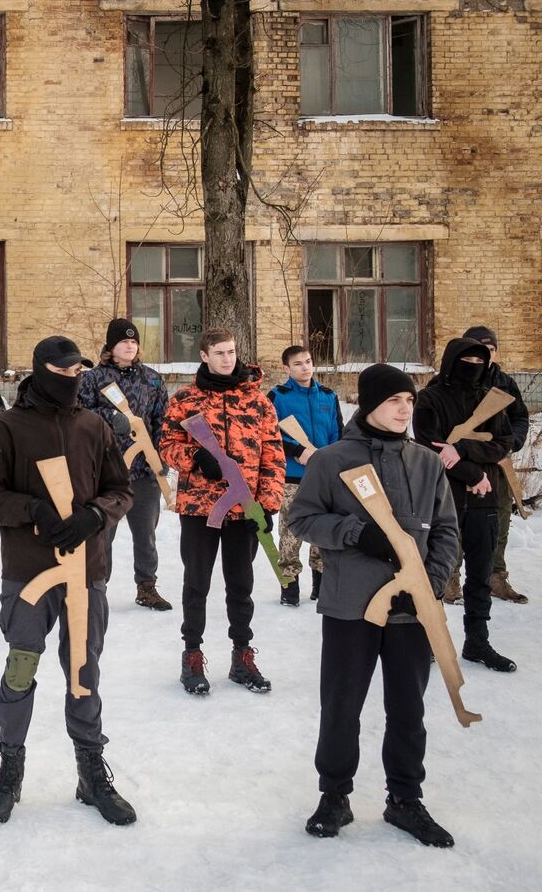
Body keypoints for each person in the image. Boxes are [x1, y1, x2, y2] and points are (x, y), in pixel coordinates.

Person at [288, 364, 460, 847]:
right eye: (393, 401)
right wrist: (353, 533)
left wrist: (431, 580)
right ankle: (334, 795)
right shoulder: (332, 460)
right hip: (350, 607)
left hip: (412, 608)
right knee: (341, 705)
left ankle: (405, 798)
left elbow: (446, 529)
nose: (405, 409)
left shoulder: (427, 463)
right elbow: (302, 519)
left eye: (409, 401)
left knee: (408, 707)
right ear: (368, 405)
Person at [0, 337, 136, 826]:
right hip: (28, 575)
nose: (72, 380)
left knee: (83, 672)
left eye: (77, 372)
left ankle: (90, 771)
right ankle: (10, 769)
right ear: (40, 371)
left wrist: (95, 516)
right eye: (62, 372)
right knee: (21, 668)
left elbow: (121, 490)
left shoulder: (93, 426)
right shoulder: (7, 428)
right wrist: (32, 510)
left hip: (86, 574)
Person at [159, 329, 285, 696]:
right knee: (196, 583)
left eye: (231, 352)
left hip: (245, 510)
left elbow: (274, 455)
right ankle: (192, 655)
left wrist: (268, 502)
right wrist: (195, 458)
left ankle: (242, 655)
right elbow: (167, 444)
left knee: (241, 585)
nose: (228, 359)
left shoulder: (258, 402)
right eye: (219, 353)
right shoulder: (185, 400)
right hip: (199, 508)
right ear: (204, 355)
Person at [413, 338, 517, 673]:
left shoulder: (492, 401)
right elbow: (429, 446)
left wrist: (463, 451)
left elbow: (503, 444)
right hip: (442, 499)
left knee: (481, 574)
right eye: (466, 358)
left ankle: (477, 641)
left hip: (485, 499)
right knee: (436, 571)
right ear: (450, 360)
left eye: (479, 359)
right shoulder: (429, 398)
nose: (473, 364)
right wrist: (472, 473)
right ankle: (428, 639)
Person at [76, 318, 171, 611]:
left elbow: (161, 421)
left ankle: (147, 587)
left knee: (146, 534)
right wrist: (108, 420)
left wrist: (161, 458)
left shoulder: (152, 379)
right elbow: (79, 414)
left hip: (144, 472)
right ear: (111, 346)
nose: (130, 345)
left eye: (133, 341)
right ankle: (97, 588)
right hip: (106, 472)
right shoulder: (92, 379)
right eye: (123, 341)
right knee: (103, 534)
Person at [269, 345, 343, 606]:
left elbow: (338, 434)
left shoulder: (328, 395)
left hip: (325, 475)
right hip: (293, 475)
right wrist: (296, 450)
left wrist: (332, 458)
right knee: (291, 529)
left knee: (324, 527)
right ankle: (289, 585)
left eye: (309, 361)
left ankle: (321, 583)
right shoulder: (277, 396)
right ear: (287, 368)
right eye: (298, 363)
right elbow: (270, 435)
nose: (305, 367)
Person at [461, 325, 530, 605]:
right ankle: (451, 578)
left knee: (499, 519)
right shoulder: (451, 379)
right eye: (479, 350)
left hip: (498, 464)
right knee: (454, 521)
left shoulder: (505, 382)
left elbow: (520, 417)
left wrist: (509, 443)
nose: (486, 356)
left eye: (490, 350)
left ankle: (496, 576)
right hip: (462, 464)